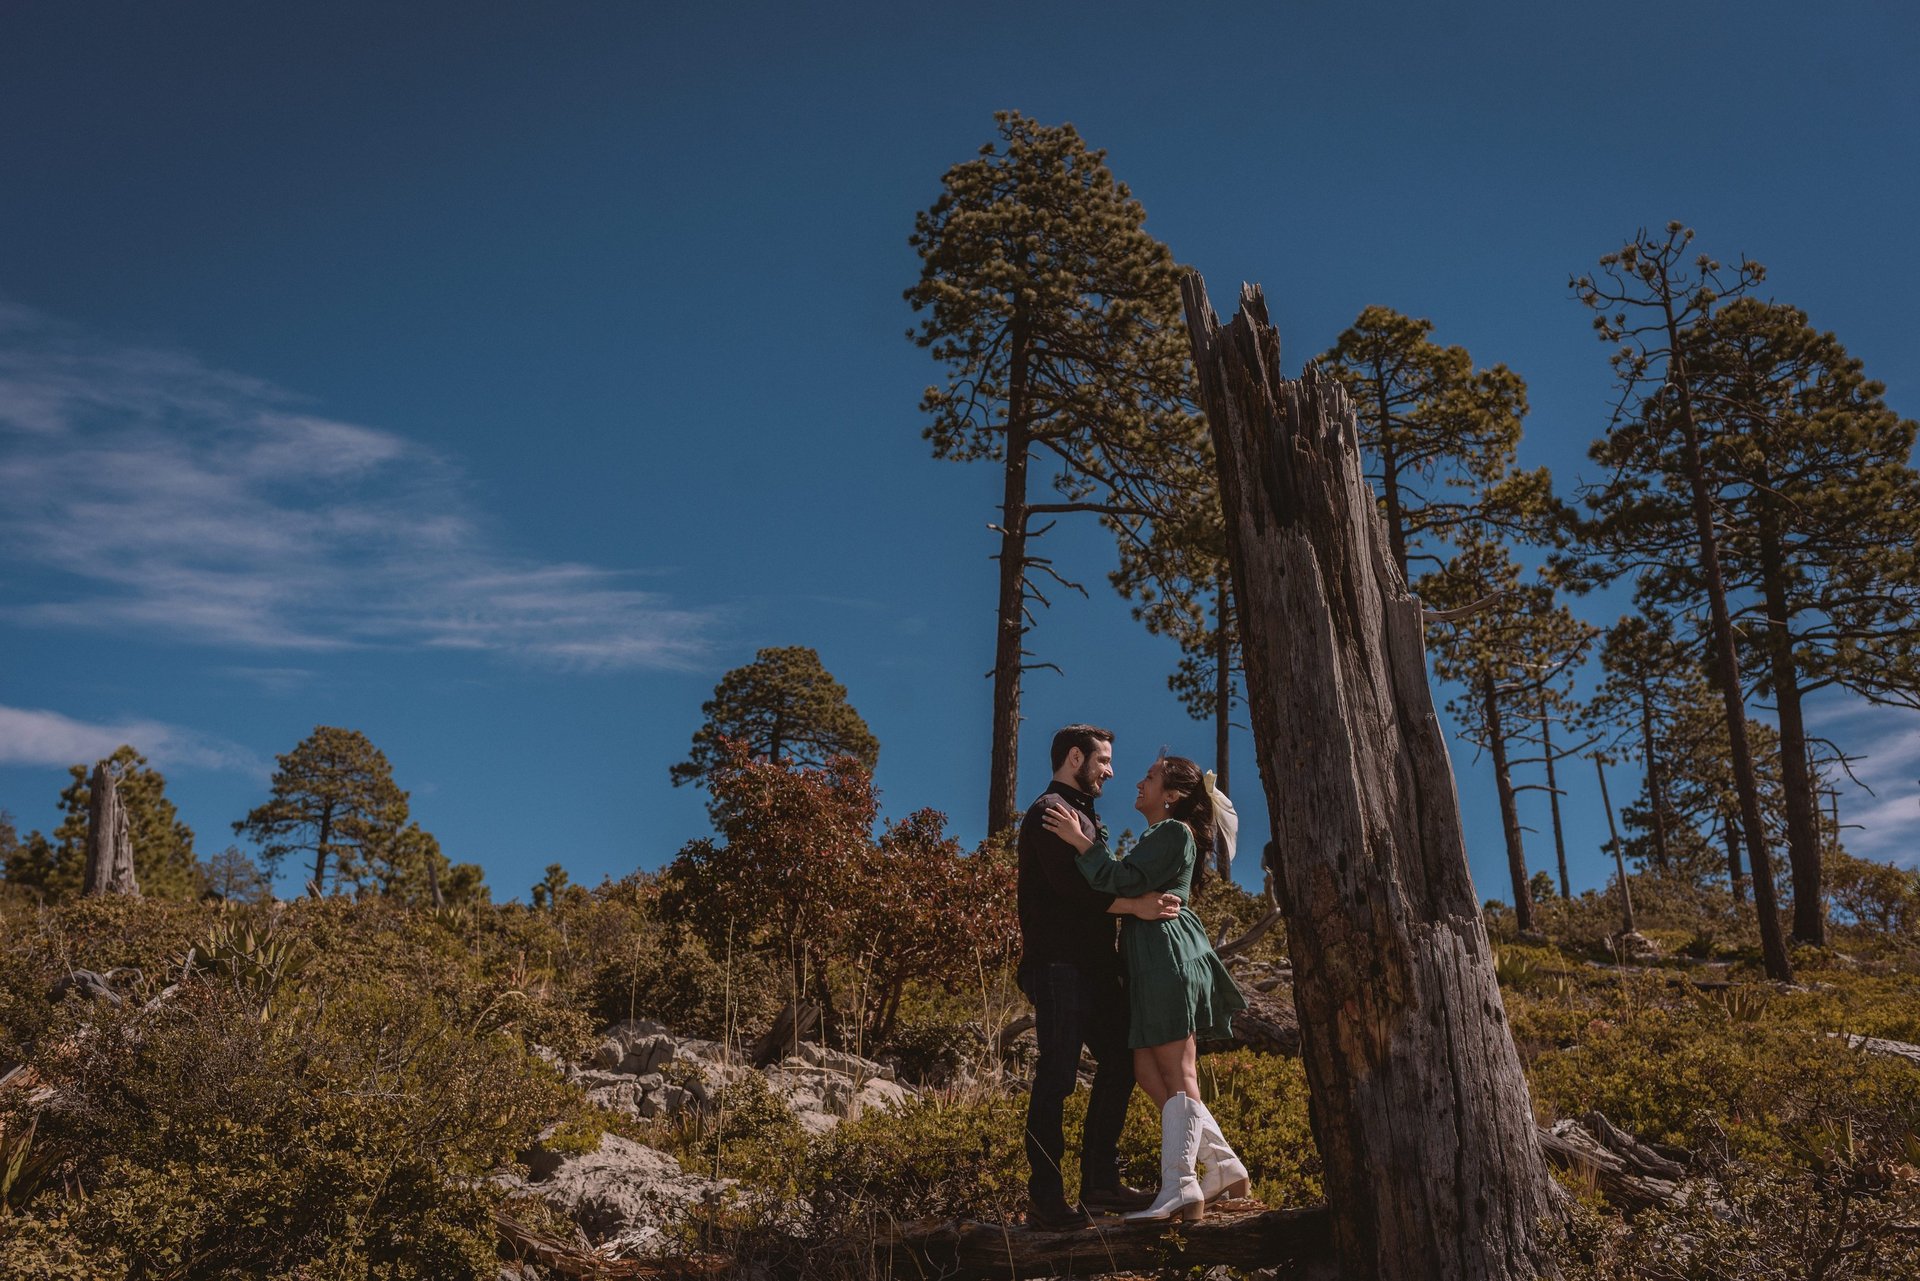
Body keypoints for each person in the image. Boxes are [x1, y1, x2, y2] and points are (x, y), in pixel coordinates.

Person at [1041, 753, 1249, 1224]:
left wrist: (1079, 841)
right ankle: (1223, 1164)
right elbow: (1132, 890)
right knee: (1145, 1069)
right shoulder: (1162, 834)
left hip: (1166, 956)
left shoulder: (1173, 833)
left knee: (1179, 1072)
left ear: (1171, 796)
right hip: (1149, 960)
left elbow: (1122, 880)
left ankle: (1180, 1187)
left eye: (1150, 777)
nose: (1139, 781)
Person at [1017, 724, 1184, 1231]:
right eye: (1103, 761)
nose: (1110, 771)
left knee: (1120, 1059)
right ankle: (1046, 1199)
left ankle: (1099, 1184)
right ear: (1075, 757)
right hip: (1059, 967)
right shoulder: (1050, 811)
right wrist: (1137, 905)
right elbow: (1072, 891)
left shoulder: (1082, 812)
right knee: (1058, 1078)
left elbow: (1099, 873)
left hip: (1094, 968)